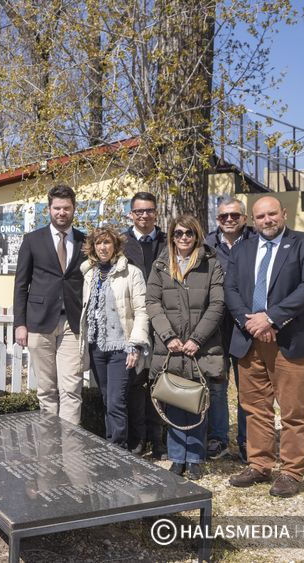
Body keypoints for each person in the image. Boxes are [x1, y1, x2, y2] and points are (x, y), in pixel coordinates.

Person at [226, 196, 304, 498]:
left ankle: (291, 472)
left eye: (272, 214)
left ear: (283, 214)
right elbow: (231, 288)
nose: (267, 221)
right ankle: (260, 464)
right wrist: (249, 322)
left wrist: (271, 319)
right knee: (255, 408)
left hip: (292, 339)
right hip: (249, 339)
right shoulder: (242, 248)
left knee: (293, 411)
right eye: (260, 216)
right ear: (253, 219)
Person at [145, 215, 225, 481]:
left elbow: (217, 305)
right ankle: (177, 457)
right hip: (171, 346)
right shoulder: (160, 264)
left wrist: (197, 339)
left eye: (189, 233)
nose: (183, 238)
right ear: (171, 236)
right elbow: (152, 303)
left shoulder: (210, 263)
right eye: (178, 233)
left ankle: (195, 458)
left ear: (197, 235)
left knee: (198, 400)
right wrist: (168, 336)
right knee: (175, 399)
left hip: (199, 345)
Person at [13, 185, 86, 423]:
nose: (61, 212)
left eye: (66, 208)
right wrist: (19, 324)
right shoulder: (33, 240)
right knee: (46, 390)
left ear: (74, 209)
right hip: (39, 322)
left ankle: (70, 446)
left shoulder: (86, 242)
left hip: (72, 324)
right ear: (49, 209)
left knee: (71, 389)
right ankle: (49, 448)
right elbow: (21, 285)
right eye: (57, 208)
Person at [78, 227, 150, 448]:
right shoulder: (90, 274)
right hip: (97, 347)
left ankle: (118, 448)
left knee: (116, 402)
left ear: (116, 246)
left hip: (122, 347)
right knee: (107, 399)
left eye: (107, 243)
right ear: (92, 247)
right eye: (98, 243)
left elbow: (141, 311)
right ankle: (114, 446)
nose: (103, 247)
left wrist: (135, 345)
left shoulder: (131, 273)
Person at [204, 196, 255, 464]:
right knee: (217, 385)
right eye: (224, 216)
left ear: (244, 218)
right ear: (217, 219)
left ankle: (248, 443)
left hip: (247, 325)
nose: (229, 220)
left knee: (247, 387)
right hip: (216, 326)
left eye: (234, 215)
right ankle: (218, 439)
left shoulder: (256, 242)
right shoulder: (207, 245)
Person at [121, 191, 168, 458]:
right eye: (139, 211)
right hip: (134, 320)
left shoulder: (168, 241)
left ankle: (159, 439)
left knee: (160, 381)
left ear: (156, 212)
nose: (144, 216)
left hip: (163, 319)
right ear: (131, 214)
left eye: (149, 210)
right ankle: (138, 439)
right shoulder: (122, 242)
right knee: (135, 383)